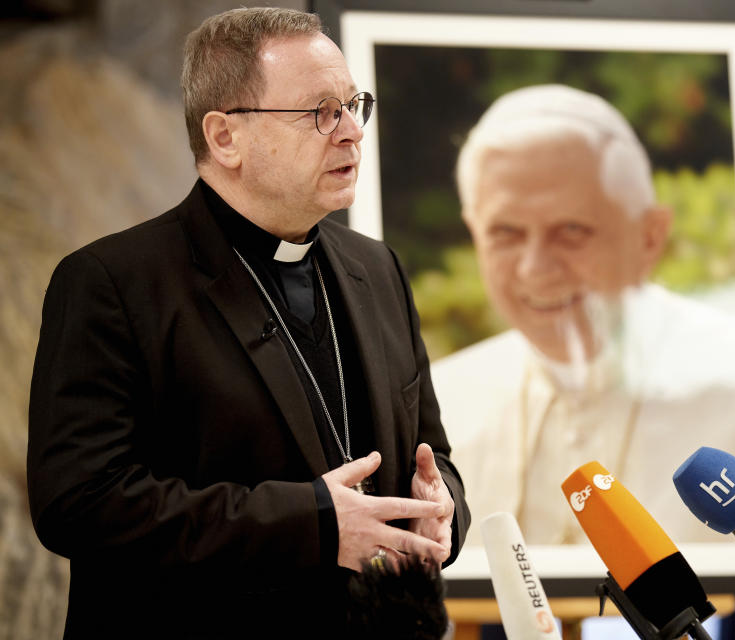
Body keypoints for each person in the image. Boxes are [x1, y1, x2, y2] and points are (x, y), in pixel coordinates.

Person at [27, 8, 469, 639]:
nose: (351, 131)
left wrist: (440, 508)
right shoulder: (112, 283)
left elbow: (434, 452)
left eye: (354, 104)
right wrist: (309, 521)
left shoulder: (378, 268)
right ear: (225, 136)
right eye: (320, 111)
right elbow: (79, 503)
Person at [431, 84, 735, 546]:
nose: (535, 268)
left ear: (649, 237)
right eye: (504, 232)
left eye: (572, 231)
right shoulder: (441, 402)